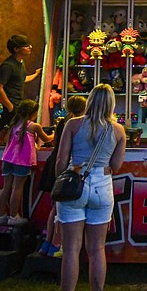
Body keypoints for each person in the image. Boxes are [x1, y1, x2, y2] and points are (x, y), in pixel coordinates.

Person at [47, 84, 126, 291]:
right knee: (96, 249)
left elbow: (61, 160)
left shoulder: (73, 124)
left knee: (71, 249)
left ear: (89, 100)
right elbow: (117, 164)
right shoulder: (118, 130)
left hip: (75, 181)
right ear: (112, 103)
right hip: (103, 185)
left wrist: (64, 179)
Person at [37, 94, 87, 257]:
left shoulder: (62, 122)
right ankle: (57, 244)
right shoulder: (77, 125)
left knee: (56, 207)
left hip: (55, 163)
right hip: (65, 166)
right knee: (63, 210)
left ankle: (48, 243)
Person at [0, 99, 53, 226]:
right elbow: (46, 139)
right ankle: (14, 216)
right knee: (17, 188)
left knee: (6, 187)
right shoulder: (34, 126)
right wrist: (55, 134)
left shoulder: (14, 124)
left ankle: (0, 215)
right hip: (22, 161)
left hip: (8, 159)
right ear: (33, 112)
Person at [0, 34, 40, 130]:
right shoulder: (8, 65)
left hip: (17, 105)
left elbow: (21, 79)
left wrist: (36, 75)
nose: (30, 47)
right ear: (16, 49)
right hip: (7, 107)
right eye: (26, 46)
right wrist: (10, 107)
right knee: (1, 133)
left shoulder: (21, 63)